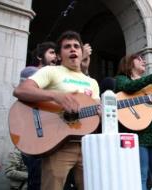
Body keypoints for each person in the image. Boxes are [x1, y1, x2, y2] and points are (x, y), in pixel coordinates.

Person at [13, 30, 100, 190]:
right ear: (59, 56)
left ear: (82, 53)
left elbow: (96, 112)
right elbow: (20, 91)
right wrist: (55, 96)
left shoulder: (92, 82)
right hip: (58, 147)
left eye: (76, 46)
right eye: (67, 47)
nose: (73, 49)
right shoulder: (50, 71)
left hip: (86, 147)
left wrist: (104, 113)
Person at [115, 53, 152, 190]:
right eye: (139, 58)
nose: (143, 60)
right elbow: (130, 87)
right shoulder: (121, 79)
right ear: (128, 62)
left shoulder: (150, 84)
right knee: (140, 178)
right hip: (136, 133)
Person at [20, 41, 57, 190]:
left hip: (50, 135)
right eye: (52, 53)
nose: (56, 57)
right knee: (37, 182)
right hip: (34, 133)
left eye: (56, 53)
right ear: (39, 56)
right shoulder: (30, 72)